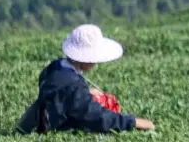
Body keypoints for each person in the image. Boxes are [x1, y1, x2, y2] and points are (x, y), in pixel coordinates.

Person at [16, 24, 155, 135]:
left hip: (30, 123)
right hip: (43, 130)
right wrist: (133, 122)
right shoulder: (73, 85)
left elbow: (62, 94)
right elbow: (95, 116)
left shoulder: (55, 67)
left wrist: (84, 93)